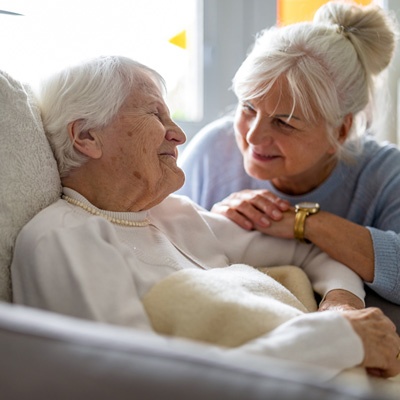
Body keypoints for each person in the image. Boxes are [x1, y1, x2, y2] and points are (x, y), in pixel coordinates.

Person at [10, 55, 399, 377]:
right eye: (156, 114)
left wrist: (340, 305)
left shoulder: (174, 213)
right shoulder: (63, 237)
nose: (178, 134)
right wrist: (338, 339)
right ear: (87, 137)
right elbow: (141, 383)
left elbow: (314, 253)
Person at [177, 1, 400, 305]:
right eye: (248, 107)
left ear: (341, 130)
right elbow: (160, 246)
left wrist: (304, 223)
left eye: (283, 123)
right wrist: (213, 225)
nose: (253, 135)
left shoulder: (386, 174)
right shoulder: (212, 151)